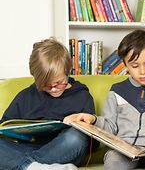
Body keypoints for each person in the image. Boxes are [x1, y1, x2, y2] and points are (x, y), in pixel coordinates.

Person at [64, 30, 145, 170]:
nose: (142, 71)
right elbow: (110, 126)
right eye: (135, 66)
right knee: (112, 162)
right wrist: (93, 119)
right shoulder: (117, 91)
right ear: (125, 65)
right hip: (125, 150)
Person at [0, 38, 96, 170]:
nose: (54, 89)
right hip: (27, 149)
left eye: (58, 82)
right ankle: (36, 167)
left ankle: (26, 166)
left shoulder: (82, 96)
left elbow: (92, 142)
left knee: (76, 137)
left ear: (67, 71)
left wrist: (81, 123)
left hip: (64, 151)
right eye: (46, 86)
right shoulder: (26, 96)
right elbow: (4, 128)